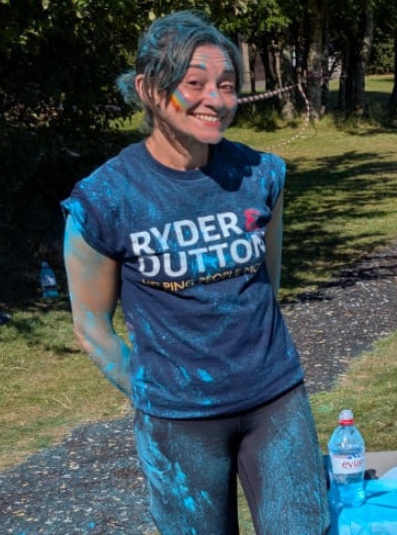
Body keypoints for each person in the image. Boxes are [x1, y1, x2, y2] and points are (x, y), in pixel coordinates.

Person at [61, 11, 329, 535]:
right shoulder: (105, 200)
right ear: (147, 88)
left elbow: (266, 285)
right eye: (195, 84)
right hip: (179, 424)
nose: (216, 99)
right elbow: (90, 325)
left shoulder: (261, 175)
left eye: (226, 85)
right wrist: (153, 390)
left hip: (276, 402)